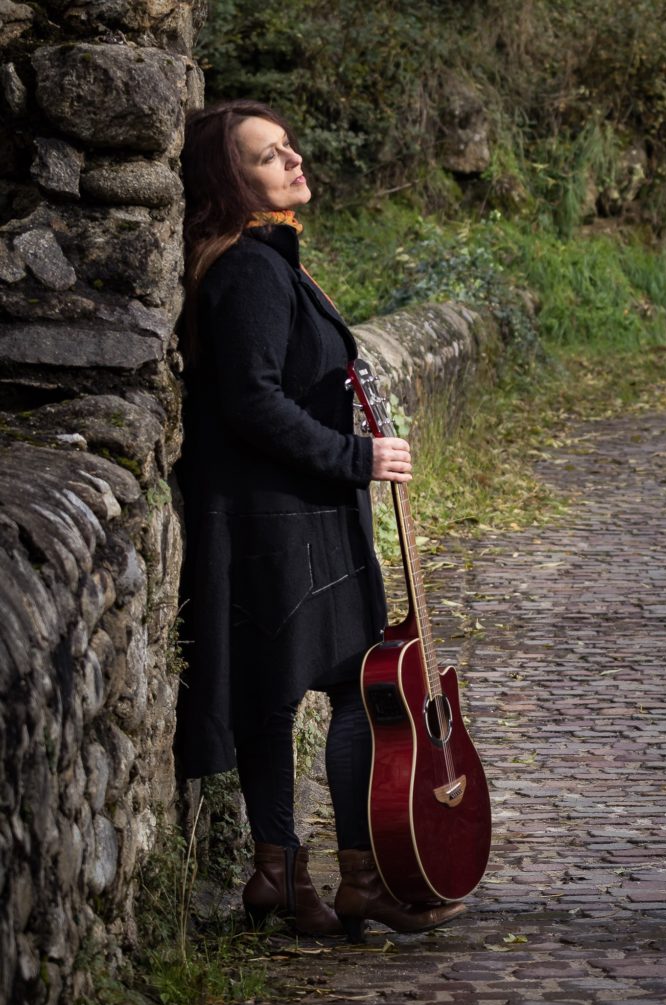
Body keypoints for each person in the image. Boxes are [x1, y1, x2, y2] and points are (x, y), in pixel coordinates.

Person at [175, 99, 466, 940]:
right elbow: (253, 402)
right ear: (231, 180)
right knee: (353, 689)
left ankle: (279, 874)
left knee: (275, 698)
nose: (295, 163)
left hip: (281, 517)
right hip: (284, 521)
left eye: (291, 148)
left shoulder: (261, 260)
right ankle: (357, 881)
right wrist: (358, 459)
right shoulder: (250, 272)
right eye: (270, 157)